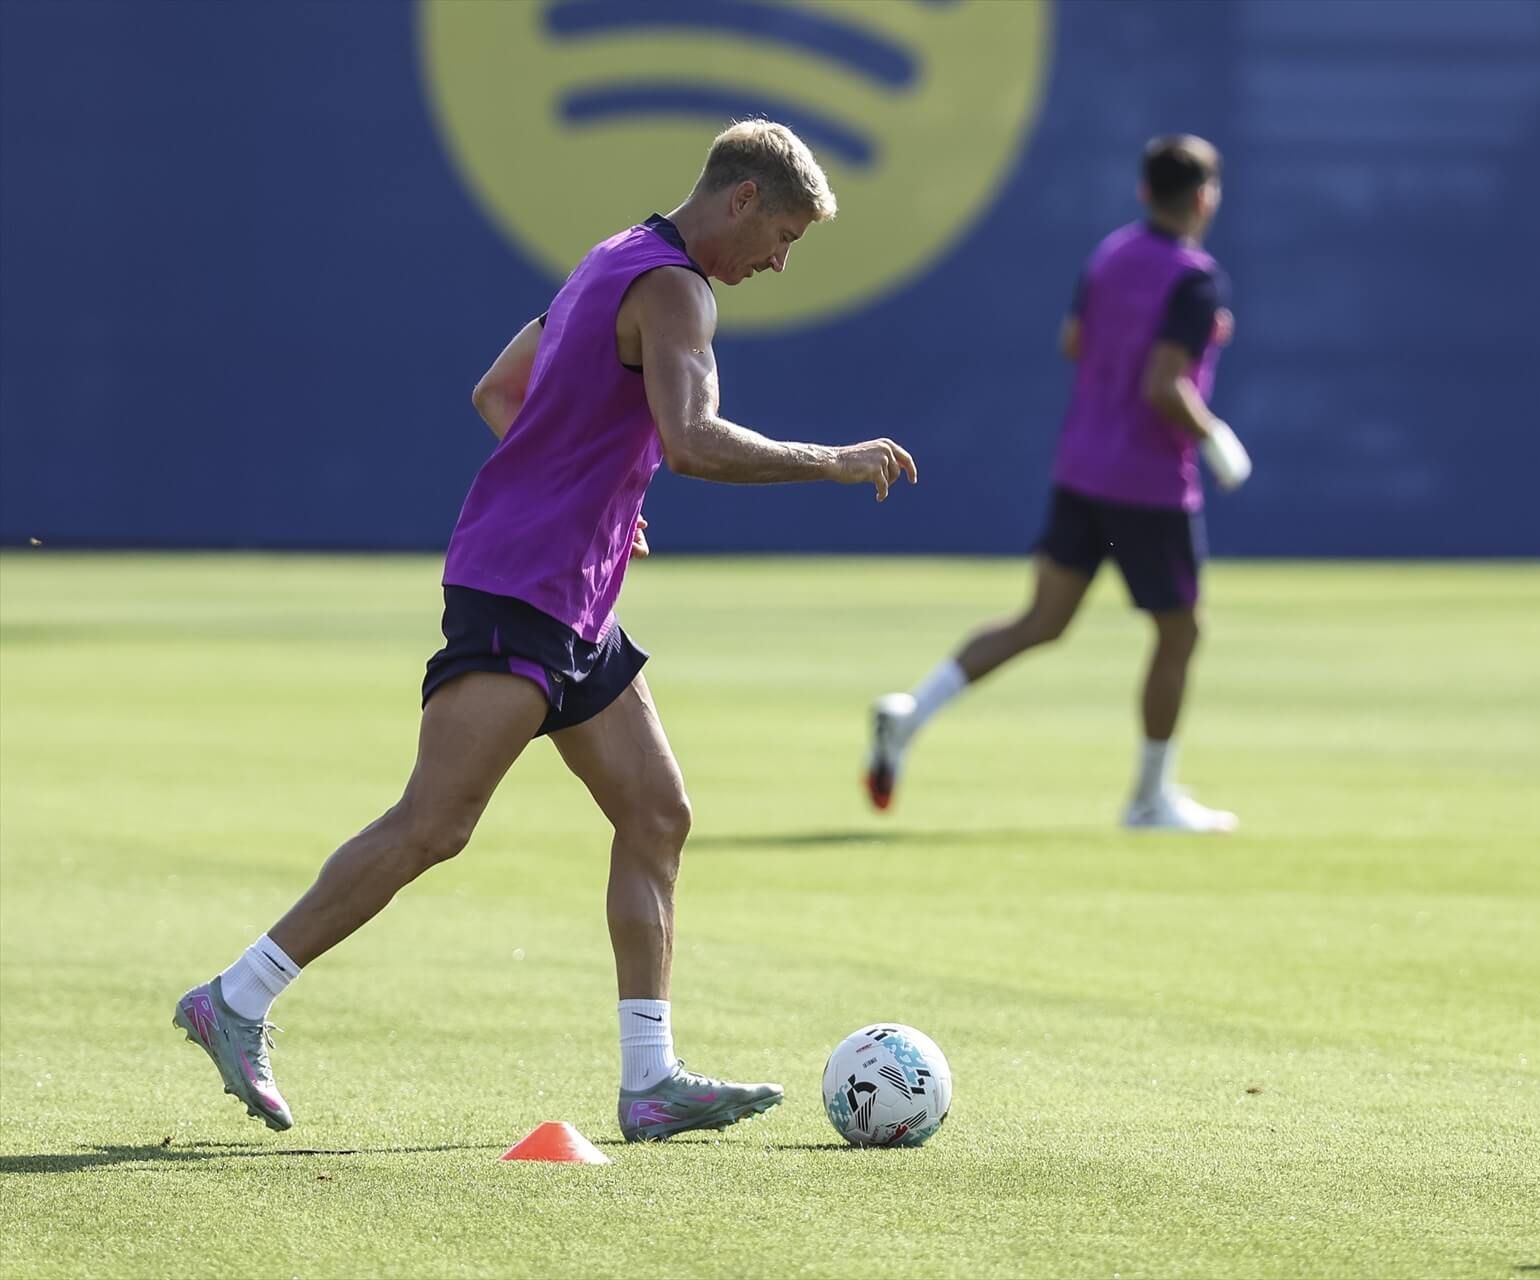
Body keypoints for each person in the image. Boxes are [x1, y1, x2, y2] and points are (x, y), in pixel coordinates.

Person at [172, 121, 916, 1141]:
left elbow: (500, 390)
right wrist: (828, 459)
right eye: (782, 235)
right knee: (434, 822)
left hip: (571, 592)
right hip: (524, 586)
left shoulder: (610, 258)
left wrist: (591, 489)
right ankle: (237, 996)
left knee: (657, 812)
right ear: (740, 200)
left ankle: (650, 1080)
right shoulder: (677, 290)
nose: (779, 262)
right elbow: (692, 442)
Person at [865, 134, 1248, 833]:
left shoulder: (1109, 256)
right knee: (1181, 630)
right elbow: (1165, 386)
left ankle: (911, 713)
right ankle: (1149, 798)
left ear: (1143, 192)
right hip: (1150, 481)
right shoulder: (1196, 279)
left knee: (1040, 620)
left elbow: (1076, 343)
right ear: (1202, 198)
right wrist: (1215, 437)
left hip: (1082, 469)